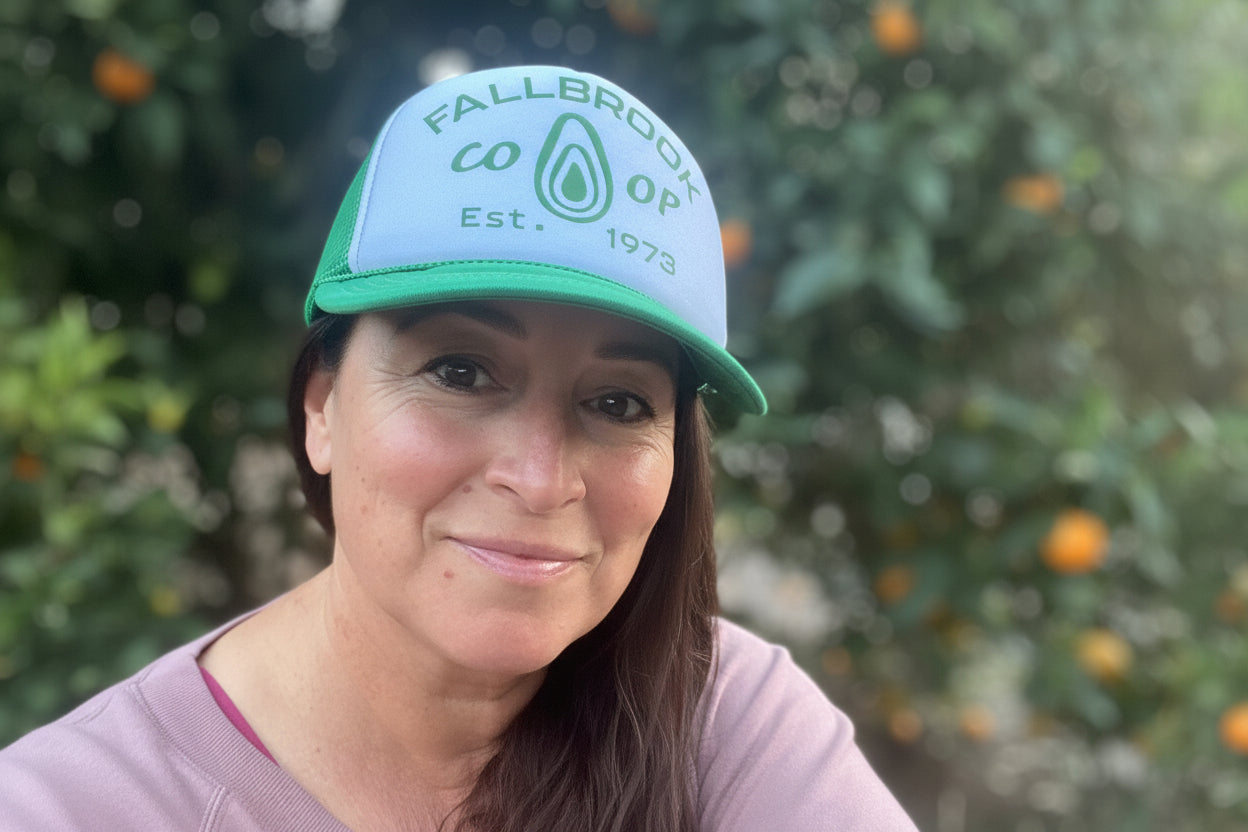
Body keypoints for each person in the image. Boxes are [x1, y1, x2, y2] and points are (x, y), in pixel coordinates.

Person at [0, 65, 919, 832]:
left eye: (616, 399)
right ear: (322, 408)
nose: (540, 476)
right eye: (460, 372)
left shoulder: (726, 727)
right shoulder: (75, 806)